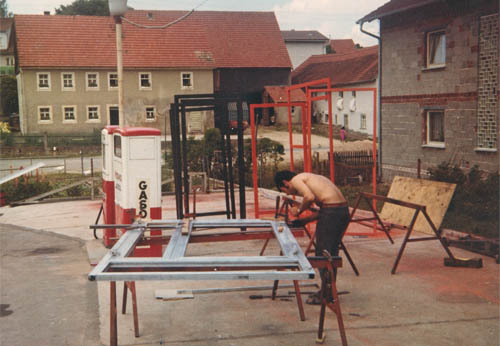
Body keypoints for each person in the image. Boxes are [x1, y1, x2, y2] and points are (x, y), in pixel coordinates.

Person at [274, 170, 350, 304]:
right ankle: (329, 290)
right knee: (331, 253)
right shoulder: (311, 177)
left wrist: (298, 211)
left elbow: (308, 197)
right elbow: (325, 210)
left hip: (333, 213)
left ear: (286, 182)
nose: (290, 193)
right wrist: (303, 221)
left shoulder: (297, 179)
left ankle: (326, 294)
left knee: (323, 254)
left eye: (288, 190)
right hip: (342, 211)